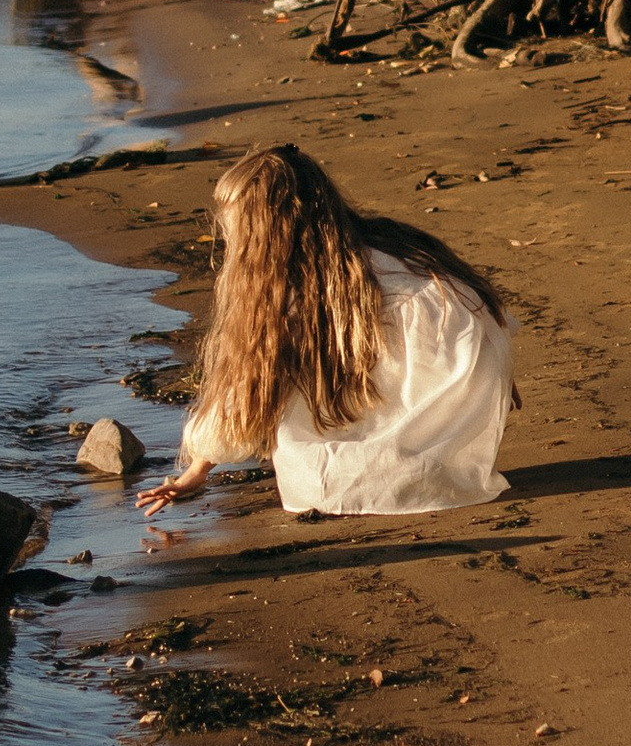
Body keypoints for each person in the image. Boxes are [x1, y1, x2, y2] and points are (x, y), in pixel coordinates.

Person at [136, 143, 514, 521]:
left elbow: (249, 390)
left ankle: (388, 471)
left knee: (307, 461)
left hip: (433, 397)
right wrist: (500, 380)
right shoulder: (385, 241)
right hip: (460, 400)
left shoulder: (288, 290)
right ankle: (420, 465)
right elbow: (475, 307)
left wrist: (197, 469)